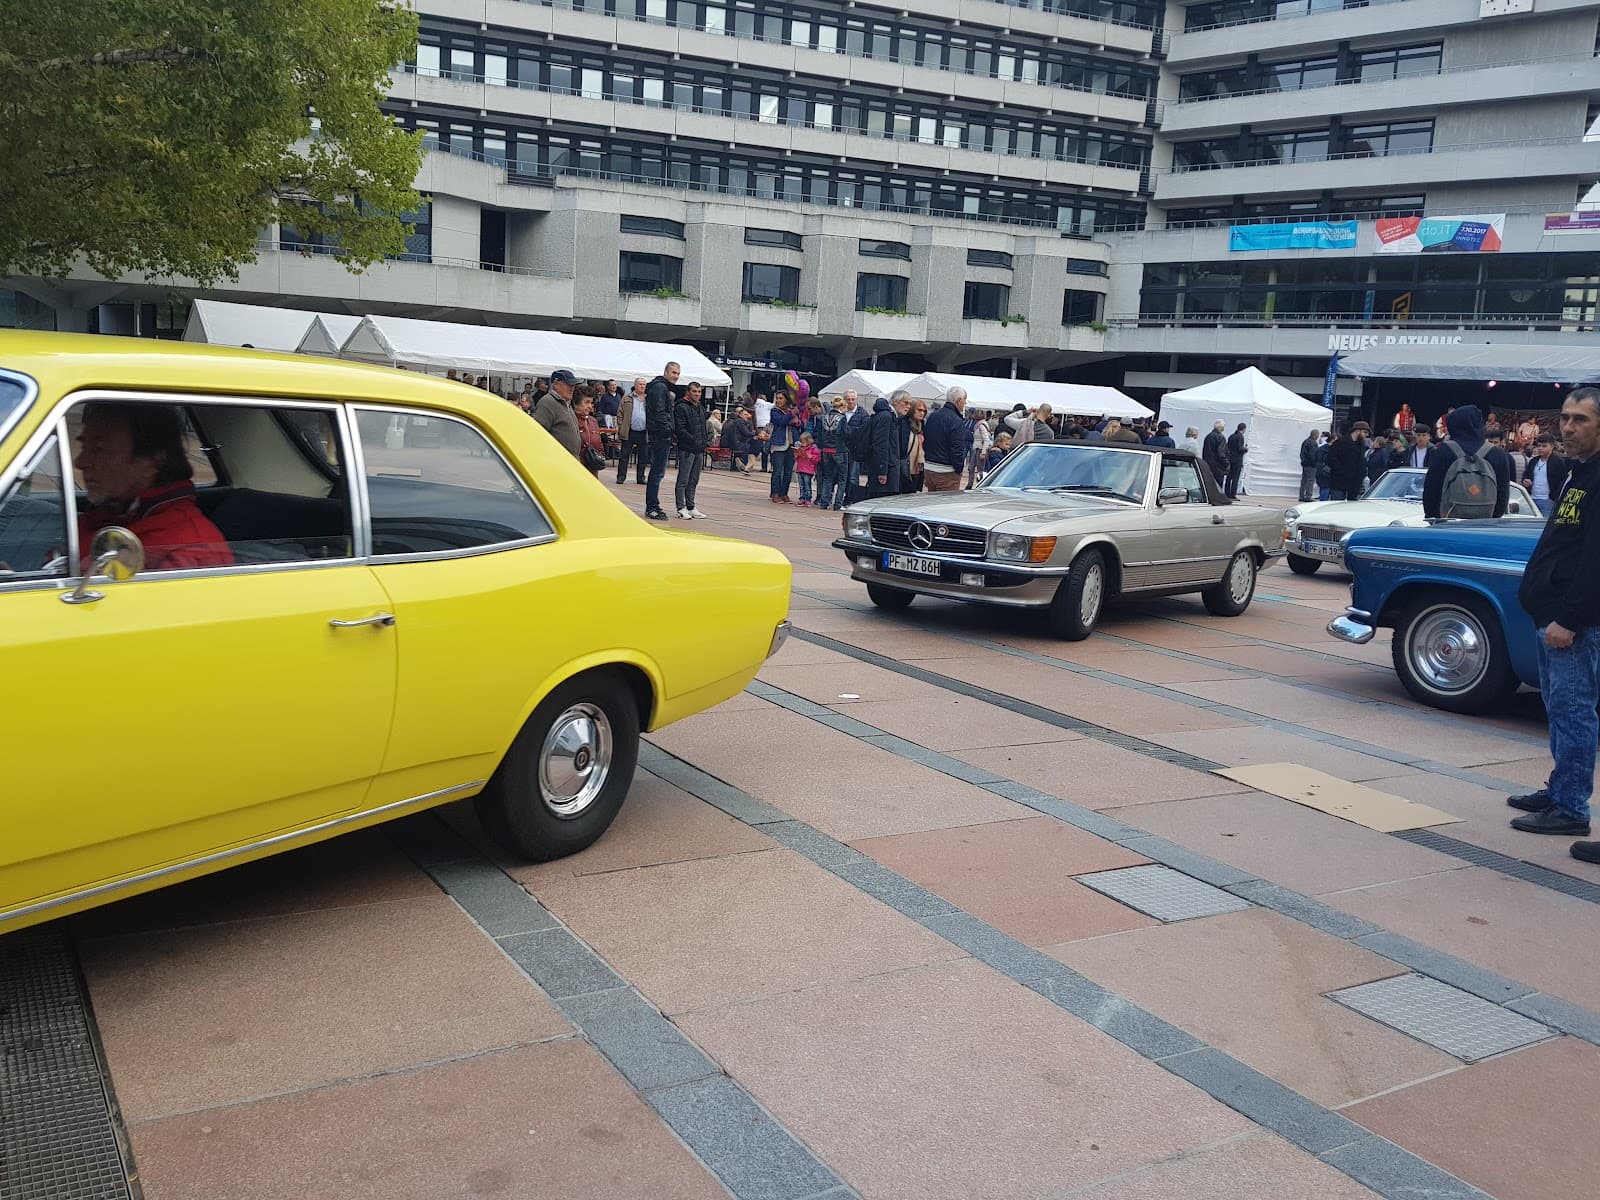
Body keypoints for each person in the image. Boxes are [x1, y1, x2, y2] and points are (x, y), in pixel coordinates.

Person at [1508, 388, 1600, 856]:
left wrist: (1569, 617)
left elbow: (1594, 560)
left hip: (1574, 624)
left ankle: (1570, 808)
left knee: (1575, 712)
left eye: (1580, 419)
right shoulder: (1577, 473)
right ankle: (1561, 787)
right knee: (1560, 712)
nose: (1568, 427)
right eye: (1565, 418)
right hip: (1551, 615)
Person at [73, 403, 234, 571]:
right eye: (84, 447)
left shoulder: (191, 552)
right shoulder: (108, 514)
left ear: (152, 463)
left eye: (99, 450)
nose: (80, 462)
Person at [1423, 404, 1510, 520]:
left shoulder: (1444, 451)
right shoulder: (1498, 454)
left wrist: (1433, 516)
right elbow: (1503, 495)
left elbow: (1431, 490)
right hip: (1485, 525)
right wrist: (1492, 518)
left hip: (1448, 524)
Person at [643, 362, 681, 521]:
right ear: (666, 372)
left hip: (660, 433)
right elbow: (660, 411)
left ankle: (653, 505)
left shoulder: (661, 387)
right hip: (660, 435)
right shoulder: (660, 387)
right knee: (657, 472)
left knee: (658, 472)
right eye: (673, 372)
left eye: (678, 373)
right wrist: (667, 430)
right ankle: (652, 506)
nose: (676, 376)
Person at [922, 387, 972, 493]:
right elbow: (957, 448)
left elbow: (926, 441)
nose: (965, 403)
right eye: (964, 400)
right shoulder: (956, 421)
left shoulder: (932, 416)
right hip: (946, 471)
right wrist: (958, 468)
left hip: (930, 467)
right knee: (946, 506)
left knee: (931, 504)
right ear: (959, 401)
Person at [673, 380, 709, 519]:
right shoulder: (681, 407)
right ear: (688, 392)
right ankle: (680, 507)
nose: (697, 394)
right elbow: (680, 428)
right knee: (683, 479)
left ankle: (690, 505)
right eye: (694, 391)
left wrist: (704, 441)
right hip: (687, 448)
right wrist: (692, 439)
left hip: (699, 448)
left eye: (699, 392)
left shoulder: (699, 407)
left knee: (694, 479)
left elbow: (702, 426)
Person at [533, 368, 581, 457]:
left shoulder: (565, 403)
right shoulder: (548, 403)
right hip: (556, 460)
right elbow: (538, 433)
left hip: (568, 461)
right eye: (569, 385)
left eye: (574, 385)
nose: (572, 388)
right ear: (556, 385)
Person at [1524, 432, 1570, 518]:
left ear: (1552, 446)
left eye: (1544, 446)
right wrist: (1526, 480)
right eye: (1539, 446)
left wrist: (1554, 498)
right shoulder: (1533, 461)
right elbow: (1526, 475)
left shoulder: (1558, 462)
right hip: (1531, 499)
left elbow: (1563, 481)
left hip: (1548, 500)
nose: (1540, 448)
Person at [814, 394, 848, 509]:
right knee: (842, 478)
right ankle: (838, 504)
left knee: (827, 477)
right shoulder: (842, 418)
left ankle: (824, 502)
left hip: (826, 450)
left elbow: (819, 435)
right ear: (842, 406)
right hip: (839, 450)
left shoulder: (824, 417)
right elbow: (845, 434)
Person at [615, 377, 649, 485]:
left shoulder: (649, 399)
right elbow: (620, 413)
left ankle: (640, 477)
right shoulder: (627, 398)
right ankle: (621, 477)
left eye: (644, 384)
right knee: (624, 456)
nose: (642, 386)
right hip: (630, 431)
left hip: (644, 432)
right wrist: (621, 426)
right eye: (640, 384)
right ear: (635, 385)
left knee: (643, 457)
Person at [866, 395, 902, 497]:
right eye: (905, 402)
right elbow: (881, 444)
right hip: (887, 468)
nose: (908, 406)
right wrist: (882, 471)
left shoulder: (880, 415)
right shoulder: (886, 416)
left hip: (884, 466)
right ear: (895, 402)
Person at [1327, 424, 1369, 500]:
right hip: (1339, 481)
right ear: (1357, 431)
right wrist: (1341, 470)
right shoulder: (1340, 442)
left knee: (1350, 508)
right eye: (1365, 432)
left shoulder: (1361, 445)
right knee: (1337, 505)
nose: (1366, 435)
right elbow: (1331, 458)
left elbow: (1361, 462)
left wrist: (1361, 474)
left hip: (1354, 483)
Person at [768, 393, 797, 503]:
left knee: (788, 471)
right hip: (778, 444)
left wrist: (796, 421)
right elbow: (781, 421)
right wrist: (791, 416)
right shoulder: (774, 411)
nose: (779, 400)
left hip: (791, 443)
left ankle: (784, 493)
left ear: (786, 399)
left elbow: (798, 423)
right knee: (778, 470)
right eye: (777, 398)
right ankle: (775, 493)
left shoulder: (790, 410)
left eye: (781, 398)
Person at [572, 385, 605, 477]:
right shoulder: (570, 420)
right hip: (576, 468)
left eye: (591, 403)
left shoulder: (593, 421)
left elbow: (599, 442)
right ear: (575, 403)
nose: (590, 406)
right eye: (586, 402)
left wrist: (601, 456)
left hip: (592, 468)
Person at [901, 399, 928, 493]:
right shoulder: (904, 424)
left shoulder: (923, 427)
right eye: (919, 410)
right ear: (912, 410)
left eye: (924, 411)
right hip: (905, 467)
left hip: (918, 468)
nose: (922, 413)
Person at [723, 406, 756, 473]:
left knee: (749, 445)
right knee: (750, 447)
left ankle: (737, 464)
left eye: (747, 414)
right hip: (736, 443)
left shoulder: (739, 421)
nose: (747, 416)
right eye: (745, 414)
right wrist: (754, 433)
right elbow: (746, 433)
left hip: (734, 442)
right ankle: (742, 462)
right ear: (740, 415)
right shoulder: (740, 421)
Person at [966, 407, 993, 487]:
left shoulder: (981, 425)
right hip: (976, 448)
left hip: (980, 449)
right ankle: (970, 484)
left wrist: (983, 452)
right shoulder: (980, 424)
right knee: (972, 468)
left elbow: (986, 439)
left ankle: (978, 484)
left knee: (979, 469)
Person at [794, 432, 820, 507]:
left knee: (807, 485)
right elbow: (796, 458)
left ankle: (808, 499)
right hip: (800, 469)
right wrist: (797, 454)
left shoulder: (813, 448)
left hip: (808, 470)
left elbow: (817, 459)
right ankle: (802, 498)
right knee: (801, 485)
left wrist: (810, 456)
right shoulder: (801, 448)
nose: (802, 444)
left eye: (803, 442)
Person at [1202, 420, 1229, 486]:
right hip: (1218, 467)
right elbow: (1221, 453)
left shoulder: (1208, 436)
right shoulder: (1221, 438)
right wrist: (1226, 463)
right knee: (1218, 486)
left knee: (1209, 485)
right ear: (1221, 428)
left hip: (1208, 465)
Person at [1225, 422, 1248, 499]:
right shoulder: (1240, 437)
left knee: (1229, 477)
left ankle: (1227, 492)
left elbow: (1227, 447)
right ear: (1244, 429)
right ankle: (1233, 494)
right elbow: (1240, 448)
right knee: (1235, 477)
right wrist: (1245, 449)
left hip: (1230, 458)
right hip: (1237, 459)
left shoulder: (1231, 436)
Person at [753, 392, 774, 471]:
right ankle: (772, 467)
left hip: (758, 426)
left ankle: (764, 467)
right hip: (767, 425)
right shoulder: (766, 404)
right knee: (770, 446)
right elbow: (776, 405)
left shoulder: (755, 405)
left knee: (763, 447)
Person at [1298, 429, 1320, 502]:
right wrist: (1315, 464)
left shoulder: (1305, 441)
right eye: (1318, 435)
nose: (1318, 437)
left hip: (1305, 464)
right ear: (1315, 435)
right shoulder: (1313, 443)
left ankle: (1301, 495)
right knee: (1310, 481)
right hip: (1311, 465)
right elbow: (1313, 454)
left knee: (1304, 480)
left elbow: (1302, 453)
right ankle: (1308, 496)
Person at [1315, 432, 1333, 500]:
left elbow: (1315, 459)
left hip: (1320, 471)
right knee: (1326, 489)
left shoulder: (1320, 448)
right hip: (1327, 472)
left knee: (1323, 488)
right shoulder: (1331, 450)